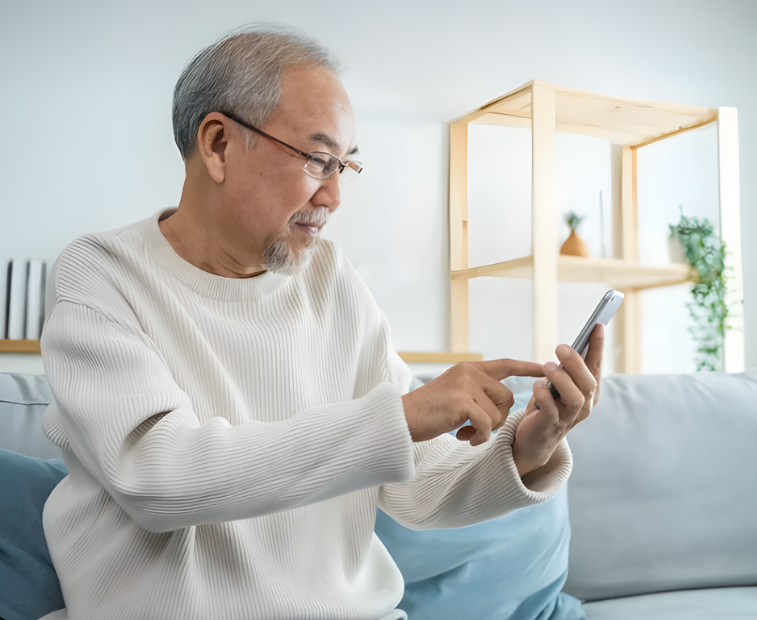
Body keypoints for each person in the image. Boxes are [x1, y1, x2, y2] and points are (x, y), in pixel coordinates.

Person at [39, 25, 603, 620]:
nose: (333, 196)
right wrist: (404, 416)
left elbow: (414, 482)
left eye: (345, 167)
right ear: (218, 145)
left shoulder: (332, 279)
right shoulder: (101, 275)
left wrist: (528, 444)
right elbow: (156, 475)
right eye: (316, 160)